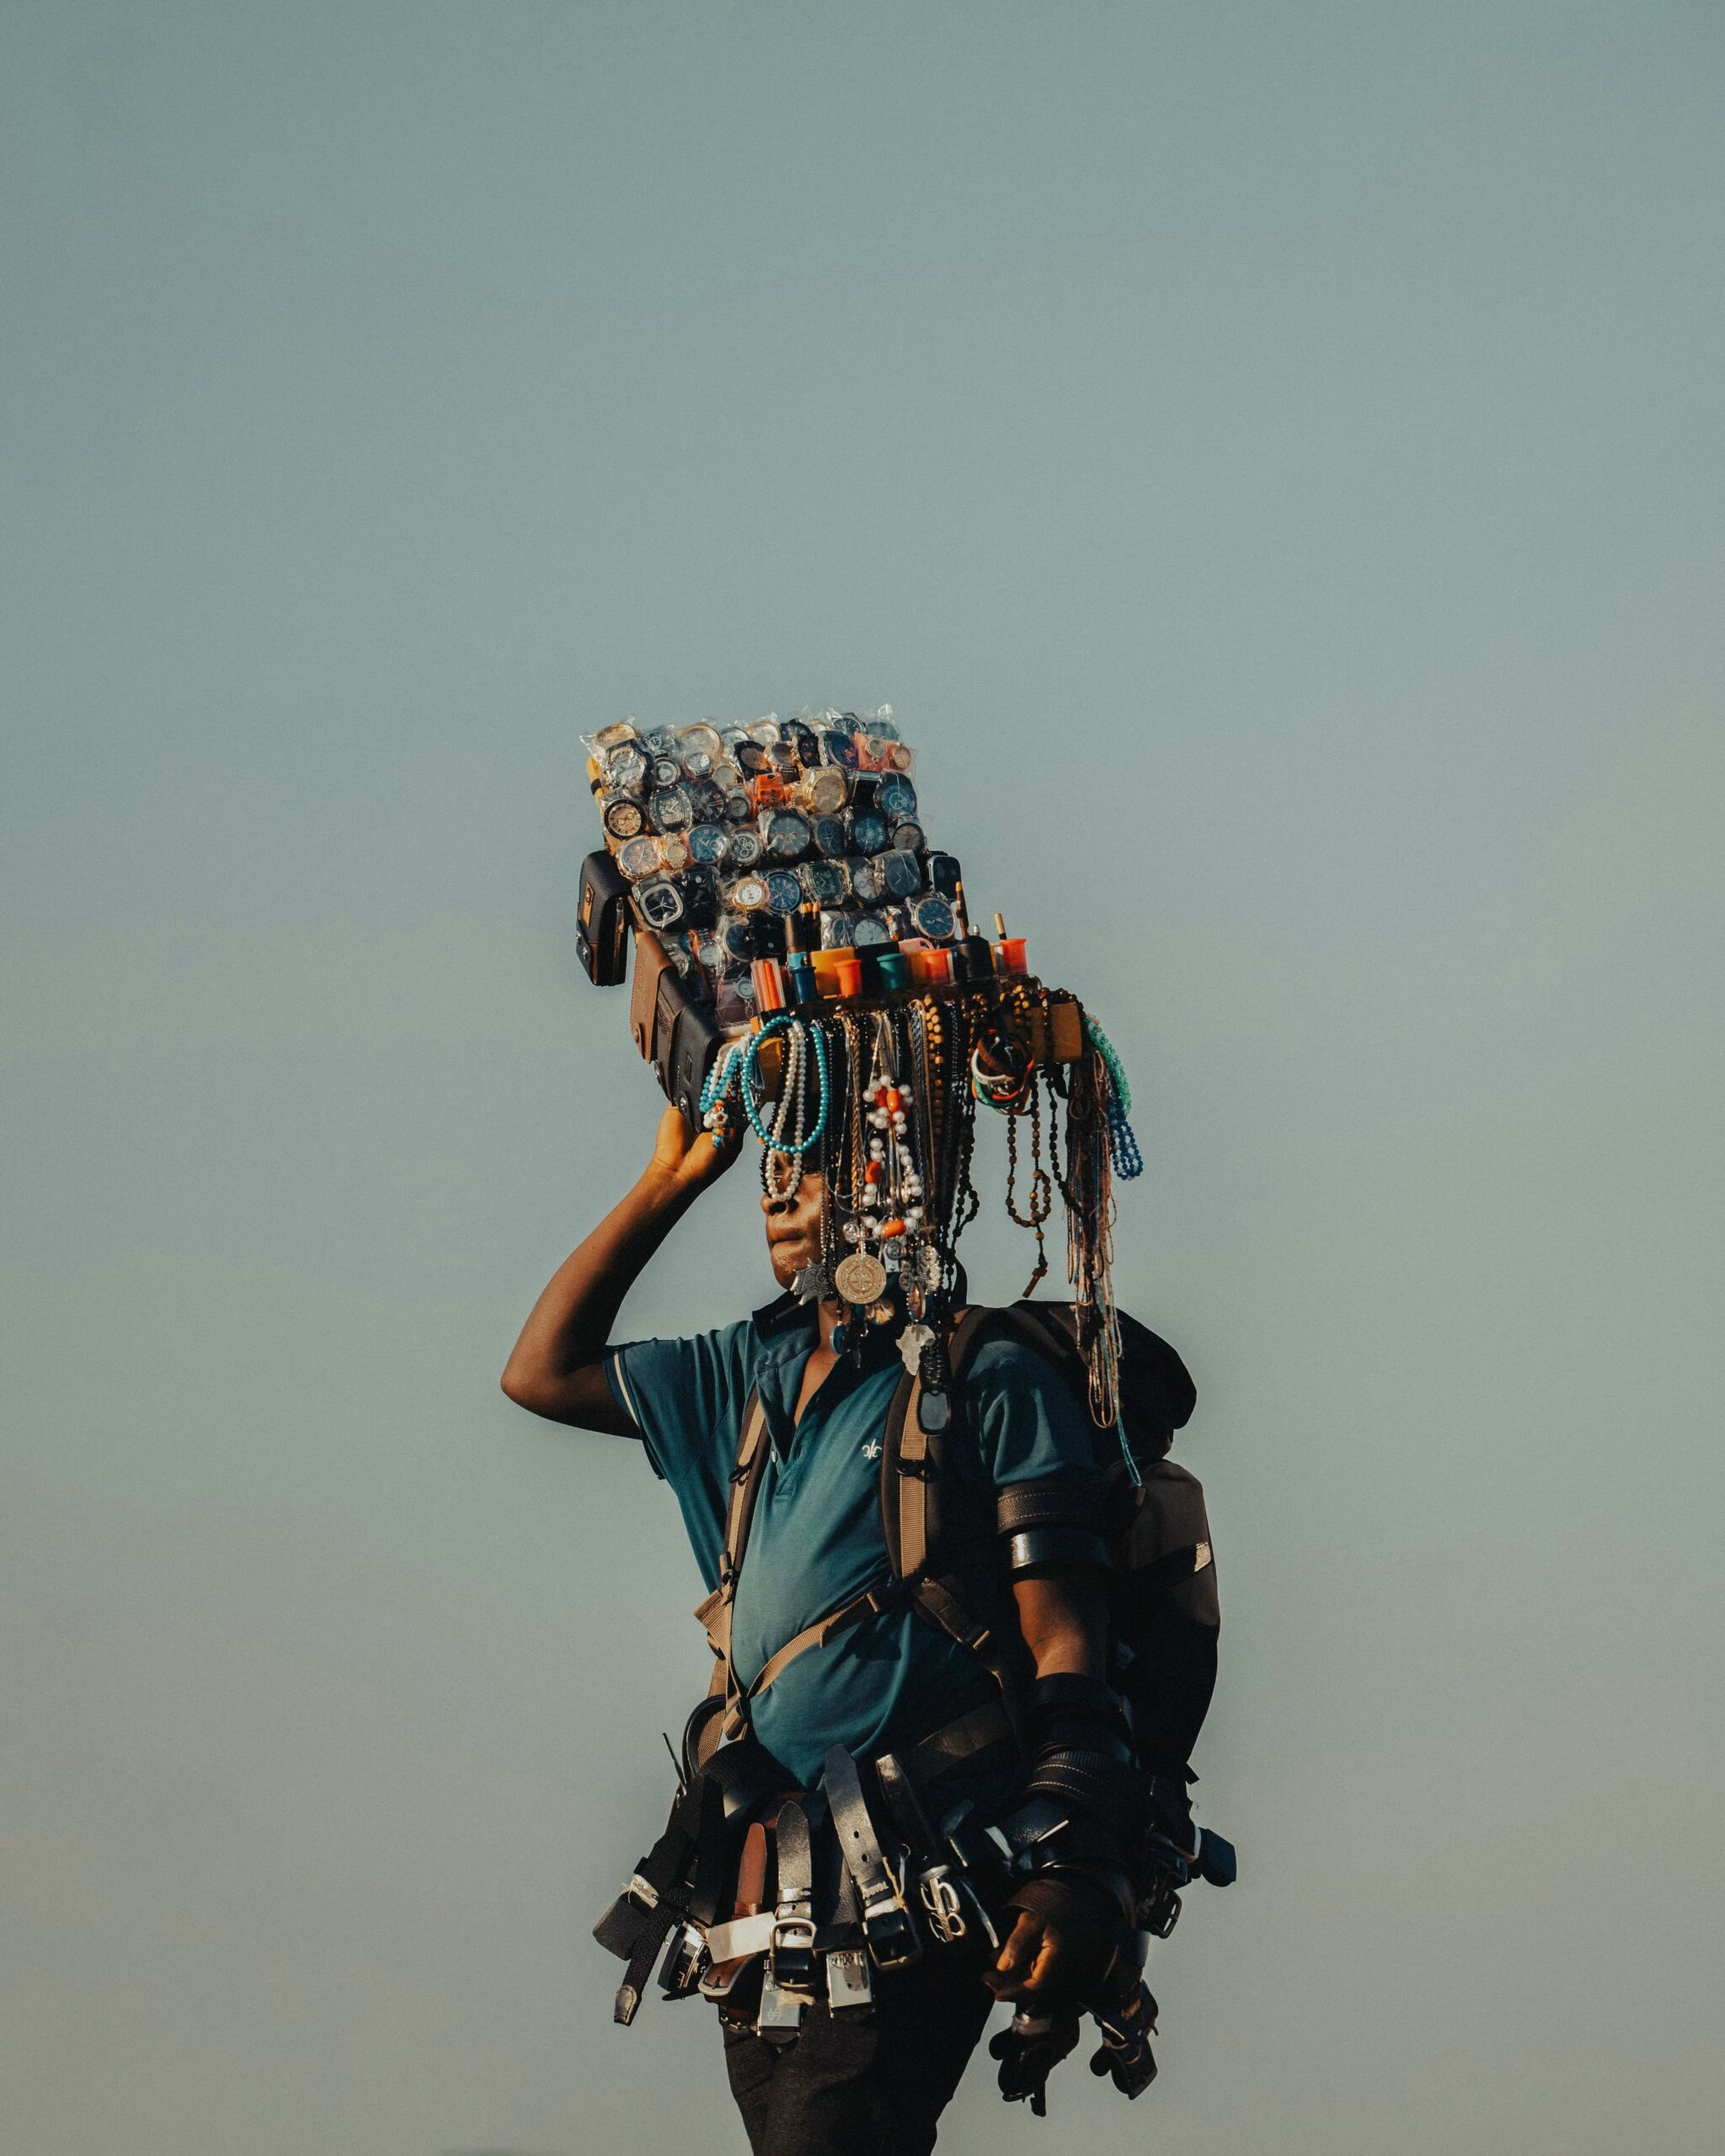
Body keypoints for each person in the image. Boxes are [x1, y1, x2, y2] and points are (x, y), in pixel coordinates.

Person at [502, 1102, 1130, 2155]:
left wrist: (1069, 1867)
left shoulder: (984, 1375)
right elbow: (542, 1372)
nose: (778, 1190)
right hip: (758, 1902)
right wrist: (670, 1180)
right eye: (773, 1169)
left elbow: (1065, 1638)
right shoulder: (743, 1373)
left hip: (915, 1880)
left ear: (899, 1179)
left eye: (819, 1163)